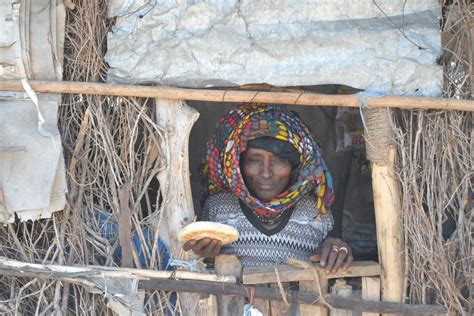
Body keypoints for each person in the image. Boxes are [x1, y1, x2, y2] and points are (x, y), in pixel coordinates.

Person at [183, 104, 352, 273]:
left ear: (295, 167)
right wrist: (206, 257)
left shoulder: (315, 211)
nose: (265, 173)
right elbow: (201, 269)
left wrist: (334, 251)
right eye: (254, 160)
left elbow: (331, 255)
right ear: (237, 165)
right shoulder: (219, 208)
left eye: (279, 161)